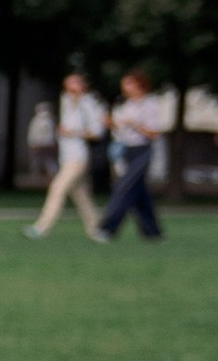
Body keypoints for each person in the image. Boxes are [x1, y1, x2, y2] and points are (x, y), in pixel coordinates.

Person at [26, 69, 107, 241]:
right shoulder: (66, 101)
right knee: (81, 196)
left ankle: (41, 228)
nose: (70, 87)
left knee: (57, 188)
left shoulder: (89, 104)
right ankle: (97, 229)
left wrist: (73, 132)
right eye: (68, 84)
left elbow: (96, 133)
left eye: (74, 83)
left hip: (78, 157)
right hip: (67, 156)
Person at [101, 72, 172, 242]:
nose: (125, 88)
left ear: (139, 85)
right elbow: (123, 130)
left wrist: (135, 125)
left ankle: (107, 229)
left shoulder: (150, 104)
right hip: (128, 149)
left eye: (128, 84)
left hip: (143, 149)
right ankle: (153, 232)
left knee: (124, 187)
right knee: (140, 193)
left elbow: (154, 133)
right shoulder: (128, 105)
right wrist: (113, 124)